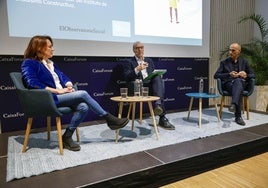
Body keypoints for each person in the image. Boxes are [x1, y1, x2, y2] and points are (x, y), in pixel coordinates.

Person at [21, 35, 129, 151]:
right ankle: (109, 119)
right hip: (48, 99)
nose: (53, 49)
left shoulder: (51, 63)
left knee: (83, 107)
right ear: (39, 48)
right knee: (82, 94)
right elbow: (32, 83)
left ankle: (67, 136)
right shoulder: (29, 63)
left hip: (60, 96)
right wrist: (58, 90)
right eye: (50, 47)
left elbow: (62, 76)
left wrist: (68, 85)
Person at [123, 41, 175, 130]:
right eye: (137, 48)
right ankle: (162, 115)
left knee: (158, 77)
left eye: (142, 47)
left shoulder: (149, 60)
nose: (140, 50)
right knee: (158, 89)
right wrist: (137, 69)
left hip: (150, 86)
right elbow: (126, 77)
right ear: (133, 50)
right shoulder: (129, 62)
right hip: (138, 87)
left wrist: (158, 75)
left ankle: (158, 107)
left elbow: (152, 73)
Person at [214, 43, 255, 126]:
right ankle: (238, 117)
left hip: (241, 83)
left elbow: (253, 75)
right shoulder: (224, 62)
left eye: (233, 50)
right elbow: (216, 75)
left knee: (238, 81)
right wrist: (229, 74)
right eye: (230, 50)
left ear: (239, 51)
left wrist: (245, 75)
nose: (230, 52)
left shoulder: (244, 62)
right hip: (229, 84)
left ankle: (233, 104)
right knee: (238, 86)